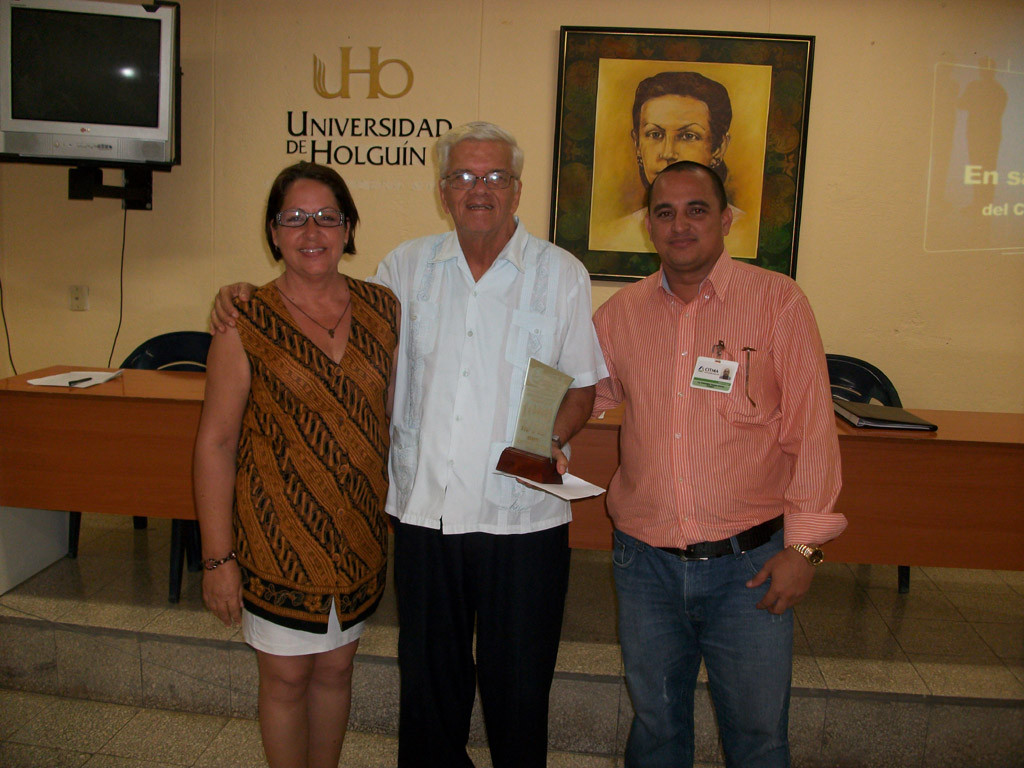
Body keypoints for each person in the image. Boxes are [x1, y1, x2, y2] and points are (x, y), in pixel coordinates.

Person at [210, 122, 608, 768]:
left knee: (519, 695)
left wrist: (550, 436)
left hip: (523, 522)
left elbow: (579, 387)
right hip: (426, 519)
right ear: (442, 189)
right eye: (464, 177)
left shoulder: (560, 274)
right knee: (428, 698)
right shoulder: (405, 268)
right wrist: (238, 297)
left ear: (518, 188)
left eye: (494, 177)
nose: (479, 190)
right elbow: (326, 302)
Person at [591, 160, 846, 768]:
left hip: (750, 568)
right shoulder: (619, 315)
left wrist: (805, 549)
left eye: (697, 210)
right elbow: (584, 395)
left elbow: (811, 430)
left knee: (757, 738)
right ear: (648, 225)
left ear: (726, 219)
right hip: (645, 563)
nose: (680, 225)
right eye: (664, 212)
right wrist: (531, 433)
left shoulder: (777, 302)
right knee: (655, 730)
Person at [193, 161, 399, 768]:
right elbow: (216, 444)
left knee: (336, 671)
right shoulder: (244, 320)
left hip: (359, 538)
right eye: (295, 219)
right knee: (285, 680)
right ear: (274, 232)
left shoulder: (383, 309)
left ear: (348, 226)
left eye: (327, 217)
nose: (313, 232)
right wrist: (217, 557)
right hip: (277, 538)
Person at [594, 71, 743, 254]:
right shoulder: (615, 233)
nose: (668, 153)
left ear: (718, 147)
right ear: (637, 144)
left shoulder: (744, 228)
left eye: (688, 136)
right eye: (655, 134)